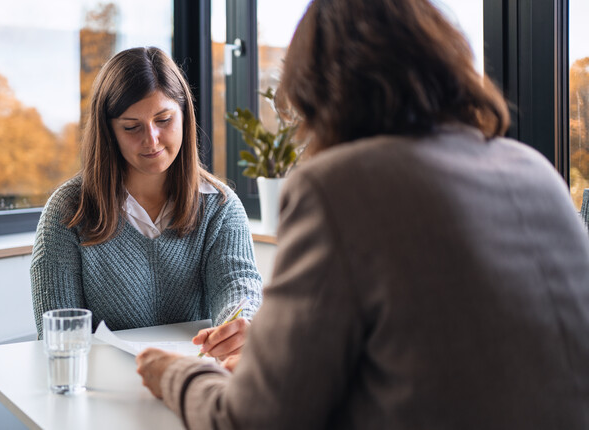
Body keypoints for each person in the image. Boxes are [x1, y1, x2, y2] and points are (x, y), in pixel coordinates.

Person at [136, 0, 589, 428]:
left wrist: (172, 374)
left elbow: (250, 419)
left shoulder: (337, 186)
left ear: (318, 88)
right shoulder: (535, 171)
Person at [31, 47, 262, 361]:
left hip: (190, 384)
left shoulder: (220, 207)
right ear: (109, 131)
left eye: (164, 120)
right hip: (102, 394)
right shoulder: (69, 211)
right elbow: (58, 334)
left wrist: (241, 322)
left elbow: (238, 285)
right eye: (131, 127)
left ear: (184, 116)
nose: (151, 140)